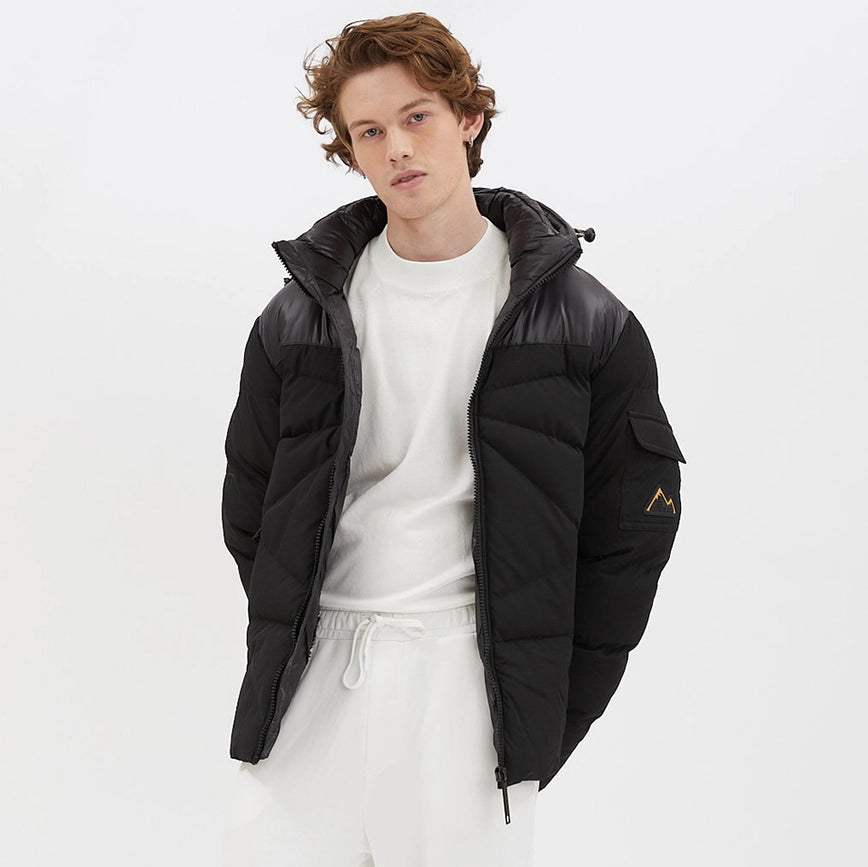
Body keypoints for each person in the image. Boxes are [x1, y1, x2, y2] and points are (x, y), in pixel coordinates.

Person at [220, 12, 685, 867]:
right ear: (350, 151)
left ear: (468, 118)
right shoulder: (299, 317)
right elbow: (251, 505)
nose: (397, 147)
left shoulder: (586, 322)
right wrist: (297, 631)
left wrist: (544, 705)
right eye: (369, 131)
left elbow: (631, 536)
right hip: (314, 676)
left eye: (418, 117)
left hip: (470, 680)